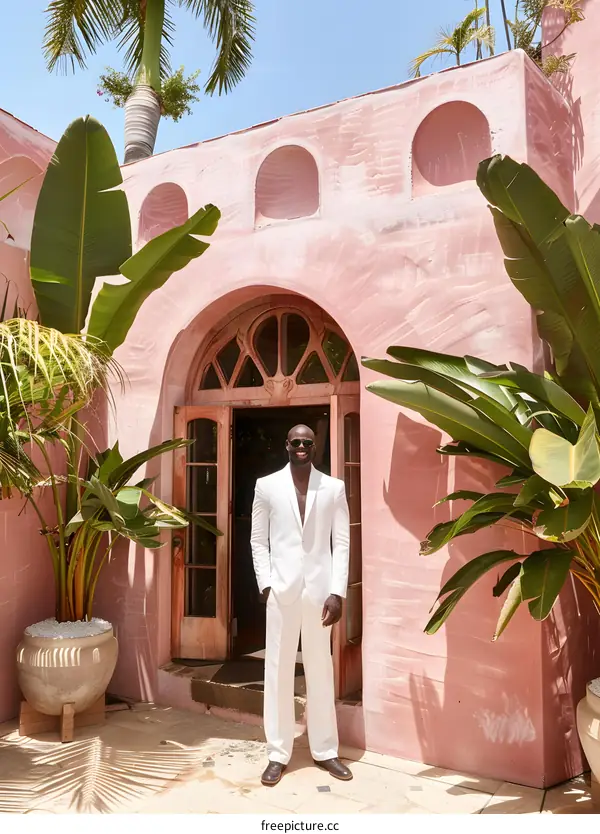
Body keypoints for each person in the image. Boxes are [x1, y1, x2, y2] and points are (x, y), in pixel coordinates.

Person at [250, 424, 353, 787]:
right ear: (286, 445)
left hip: (320, 595)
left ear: (315, 446)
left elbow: (341, 542)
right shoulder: (267, 486)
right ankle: (278, 753)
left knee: (320, 670)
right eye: (295, 442)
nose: (301, 447)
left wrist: (337, 592)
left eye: (308, 442)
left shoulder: (334, 488)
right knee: (276, 672)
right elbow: (257, 540)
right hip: (282, 592)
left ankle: (325, 750)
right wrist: (266, 584)